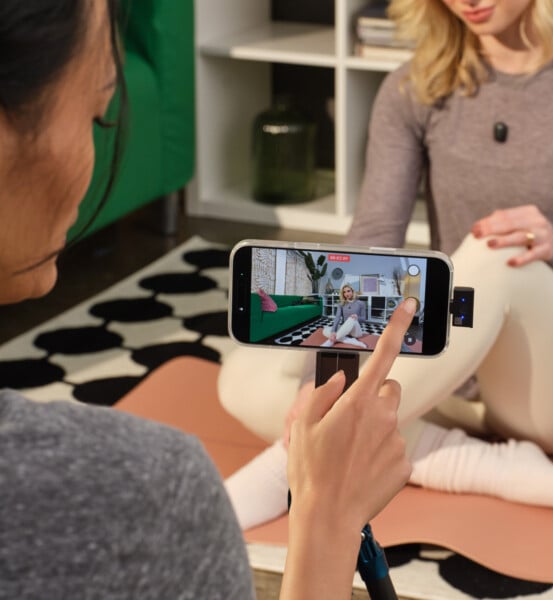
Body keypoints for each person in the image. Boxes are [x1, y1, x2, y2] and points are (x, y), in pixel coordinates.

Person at [0, 2, 413, 599]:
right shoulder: (151, 494)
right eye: (99, 114)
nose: (97, 147)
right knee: (246, 375)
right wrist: (328, 521)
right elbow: (375, 230)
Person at [220, 0, 553, 529]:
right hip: (447, 384)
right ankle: (482, 465)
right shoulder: (416, 86)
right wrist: (318, 376)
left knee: (494, 249)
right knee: (242, 375)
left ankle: (293, 461)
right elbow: (374, 241)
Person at [321, 283, 369, 348]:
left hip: (356, 332)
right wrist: (333, 332)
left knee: (351, 318)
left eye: (348, 291)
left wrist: (357, 317)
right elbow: (337, 318)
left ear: (352, 291)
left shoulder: (361, 303)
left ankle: (330, 341)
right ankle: (351, 341)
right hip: (345, 329)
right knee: (325, 330)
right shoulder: (341, 304)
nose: (346, 293)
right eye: (344, 292)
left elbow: (364, 319)